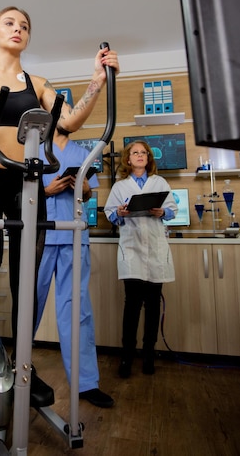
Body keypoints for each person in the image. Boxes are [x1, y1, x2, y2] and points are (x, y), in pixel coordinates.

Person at [0, 6, 120, 397]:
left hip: (25, 181)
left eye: (25, 26)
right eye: (10, 24)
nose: (19, 29)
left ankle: (22, 365)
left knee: (24, 274)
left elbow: (68, 123)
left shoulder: (39, 84)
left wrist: (97, 82)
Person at [35, 127, 114, 408]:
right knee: (28, 307)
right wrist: (46, 191)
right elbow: (19, 194)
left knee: (77, 311)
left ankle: (86, 383)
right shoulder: (31, 147)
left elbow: (89, 193)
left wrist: (82, 188)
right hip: (39, 237)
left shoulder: (84, 152)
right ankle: (15, 371)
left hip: (73, 236)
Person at [103, 140, 177, 378]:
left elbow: (172, 209)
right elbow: (110, 214)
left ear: (148, 158)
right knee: (132, 306)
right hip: (132, 250)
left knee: (153, 306)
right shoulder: (120, 186)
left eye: (143, 153)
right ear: (128, 159)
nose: (139, 156)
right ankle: (126, 357)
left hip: (155, 249)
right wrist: (120, 214)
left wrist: (162, 211)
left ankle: (148, 355)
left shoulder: (160, 182)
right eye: (135, 153)